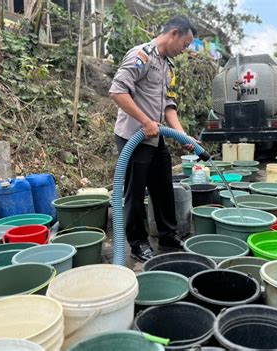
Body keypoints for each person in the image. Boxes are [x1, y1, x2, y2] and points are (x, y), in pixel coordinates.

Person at [109, 16, 197, 261]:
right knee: (134, 193)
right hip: (133, 138)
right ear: (173, 34)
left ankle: (168, 235)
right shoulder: (141, 56)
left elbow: (169, 105)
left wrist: (180, 134)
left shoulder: (168, 66)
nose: (185, 49)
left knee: (163, 186)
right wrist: (145, 121)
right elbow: (117, 91)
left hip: (155, 136)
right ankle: (137, 243)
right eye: (185, 43)